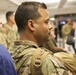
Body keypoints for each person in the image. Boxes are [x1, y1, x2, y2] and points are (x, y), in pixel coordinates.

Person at [10, 1, 71, 75]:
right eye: (46, 22)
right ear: (31, 25)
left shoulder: (9, 55)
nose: (50, 26)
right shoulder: (45, 61)